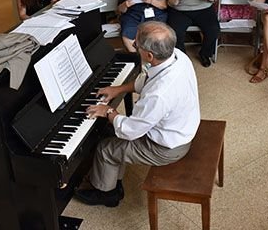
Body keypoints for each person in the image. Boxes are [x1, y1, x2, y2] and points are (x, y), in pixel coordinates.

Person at [74, 21, 200, 207]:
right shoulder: (176, 56)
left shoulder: (159, 94)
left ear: (149, 55)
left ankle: (106, 193)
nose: (133, 44)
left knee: (106, 149)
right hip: (181, 128)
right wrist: (119, 89)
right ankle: (109, 178)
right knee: (111, 131)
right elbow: (146, 79)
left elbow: (130, 131)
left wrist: (108, 111)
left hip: (167, 148)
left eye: (136, 44)